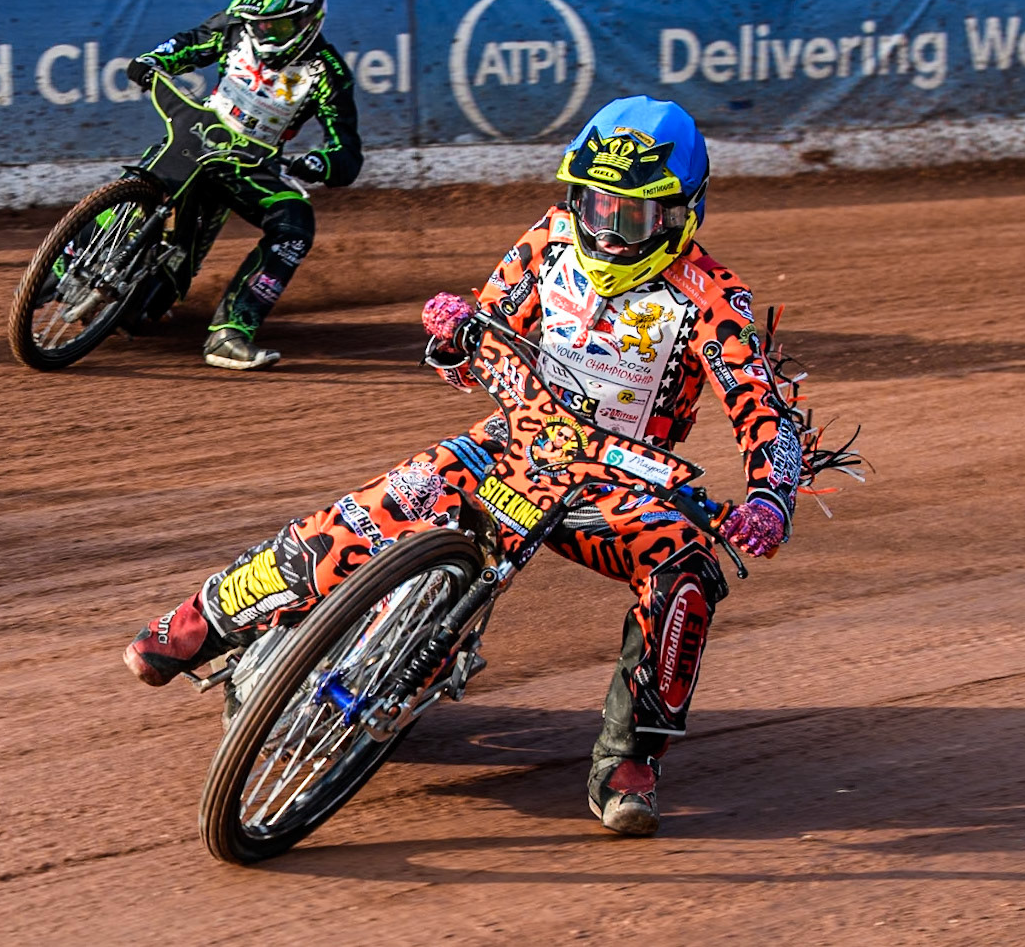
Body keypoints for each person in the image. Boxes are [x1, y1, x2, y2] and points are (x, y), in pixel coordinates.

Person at [124, 95, 822, 836]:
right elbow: (479, 336)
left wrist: (769, 499)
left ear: (683, 214)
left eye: (633, 217)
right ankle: (204, 618)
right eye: (592, 206)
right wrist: (454, 333)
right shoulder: (550, 239)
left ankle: (630, 757)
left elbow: (765, 411)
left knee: (685, 573)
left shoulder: (712, 297)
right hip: (510, 439)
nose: (606, 232)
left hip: (617, 484)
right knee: (369, 511)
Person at [124, 0, 362, 370]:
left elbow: (347, 154)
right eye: (258, 24)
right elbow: (188, 43)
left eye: (278, 24)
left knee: (295, 223)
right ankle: (71, 253)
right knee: (143, 181)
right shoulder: (235, 27)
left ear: (310, 17)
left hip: (251, 165)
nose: (265, 33)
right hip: (198, 134)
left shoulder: (328, 72)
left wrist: (318, 164)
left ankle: (231, 331)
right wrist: (152, 61)